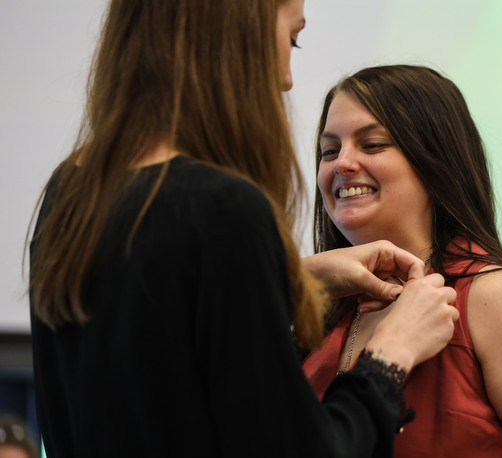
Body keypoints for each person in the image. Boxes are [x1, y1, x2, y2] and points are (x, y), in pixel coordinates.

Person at [27, 2, 459, 457]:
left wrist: (288, 276)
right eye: (291, 38)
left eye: (372, 144)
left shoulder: (70, 190)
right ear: (238, 34)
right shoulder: (224, 208)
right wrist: (390, 355)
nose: (287, 78)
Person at [303, 65, 502, 457]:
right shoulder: (315, 309)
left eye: (373, 144)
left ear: (435, 162)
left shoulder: (498, 299)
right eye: (329, 151)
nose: (342, 163)